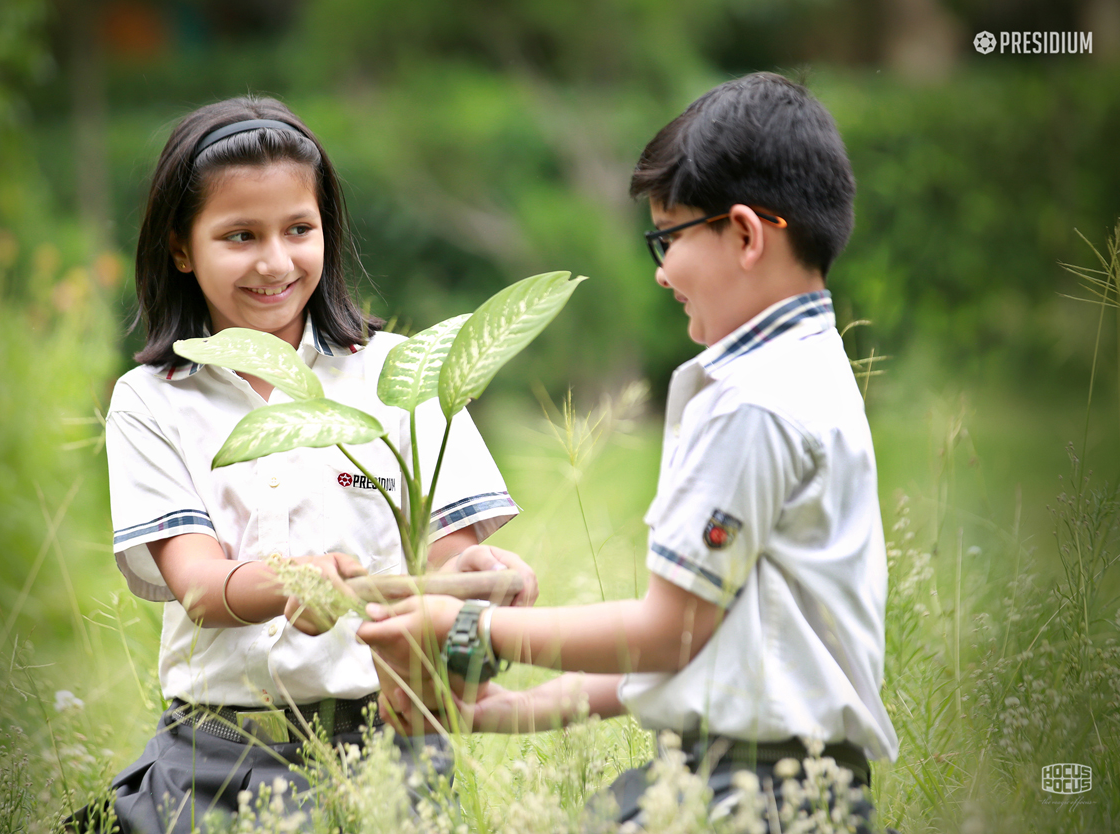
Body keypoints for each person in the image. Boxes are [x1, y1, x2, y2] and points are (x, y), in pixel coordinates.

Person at [357, 72, 899, 831]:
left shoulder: (753, 403)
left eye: (668, 238)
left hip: (747, 794)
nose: (661, 271)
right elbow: (712, 646)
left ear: (744, 234)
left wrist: (468, 631)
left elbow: (670, 631)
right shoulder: (810, 368)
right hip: (783, 780)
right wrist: (517, 710)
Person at [82, 96, 535, 834]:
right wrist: (296, 579)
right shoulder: (152, 401)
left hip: (392, 751)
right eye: (239, 235)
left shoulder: (401, 376)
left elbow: (450, 565)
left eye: (300, 229)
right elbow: (197, 588)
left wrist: (487, 584)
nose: (275, 261)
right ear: (180, 247)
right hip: (213, 761)